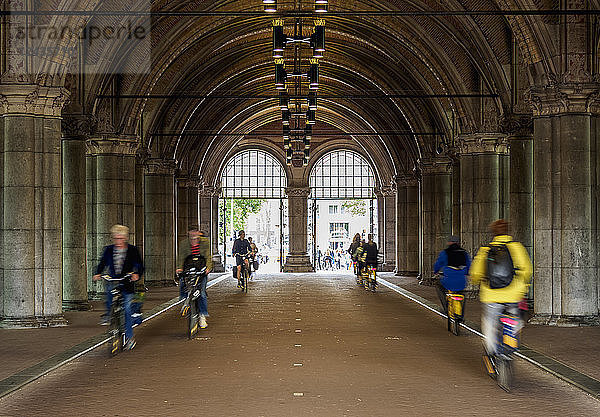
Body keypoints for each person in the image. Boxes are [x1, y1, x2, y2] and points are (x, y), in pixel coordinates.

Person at [469, 219, 532, 360]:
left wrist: (475, 280)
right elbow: (527, 270)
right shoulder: (517, 247)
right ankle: (511, 343)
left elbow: (476, 273)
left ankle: (492, 350)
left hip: (491, 295)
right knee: (515, 318)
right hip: (513, 294)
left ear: (493, 233)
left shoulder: (485, 250)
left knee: (490, 323)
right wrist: (524, 287)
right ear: (508, 231)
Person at [93, 224, 143, 350]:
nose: (118, 241)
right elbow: (102, 263)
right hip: (113, 281)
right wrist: (98, 273)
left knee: (126, 309)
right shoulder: (108, 250)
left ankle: (129, 337)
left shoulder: (132, 250)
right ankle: (110, 316)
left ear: (125, 238)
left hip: (126, 282)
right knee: (109, 300)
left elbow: (139, 265)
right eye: (116, 238)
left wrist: (136, 274)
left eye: (121, 238)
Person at [176, 226, 213, 329]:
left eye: (195, 233)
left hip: (201, 267)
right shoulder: (184, 244)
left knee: (201, 292)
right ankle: (185, 299)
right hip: (189, 266)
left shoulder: (205, 242)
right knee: (183, 282)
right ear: (188, 233)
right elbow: (181, 258)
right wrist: (179, 268)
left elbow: (208, 256)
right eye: (191, 233)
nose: (193, 235)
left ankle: (202, 315)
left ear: (198, 232)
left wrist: (208, 268)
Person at [433, 235, 471, 314]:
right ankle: (461, 315)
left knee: (438, 285)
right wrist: (466, 273)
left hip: (448, 281)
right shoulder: (464, 253)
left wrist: (436, 271)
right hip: (461, 281)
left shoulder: (445, 252)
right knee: (462, 294)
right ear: (458, 243)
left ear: (449, 243)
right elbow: (468, 265)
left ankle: (446, 308)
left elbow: (438, 264)